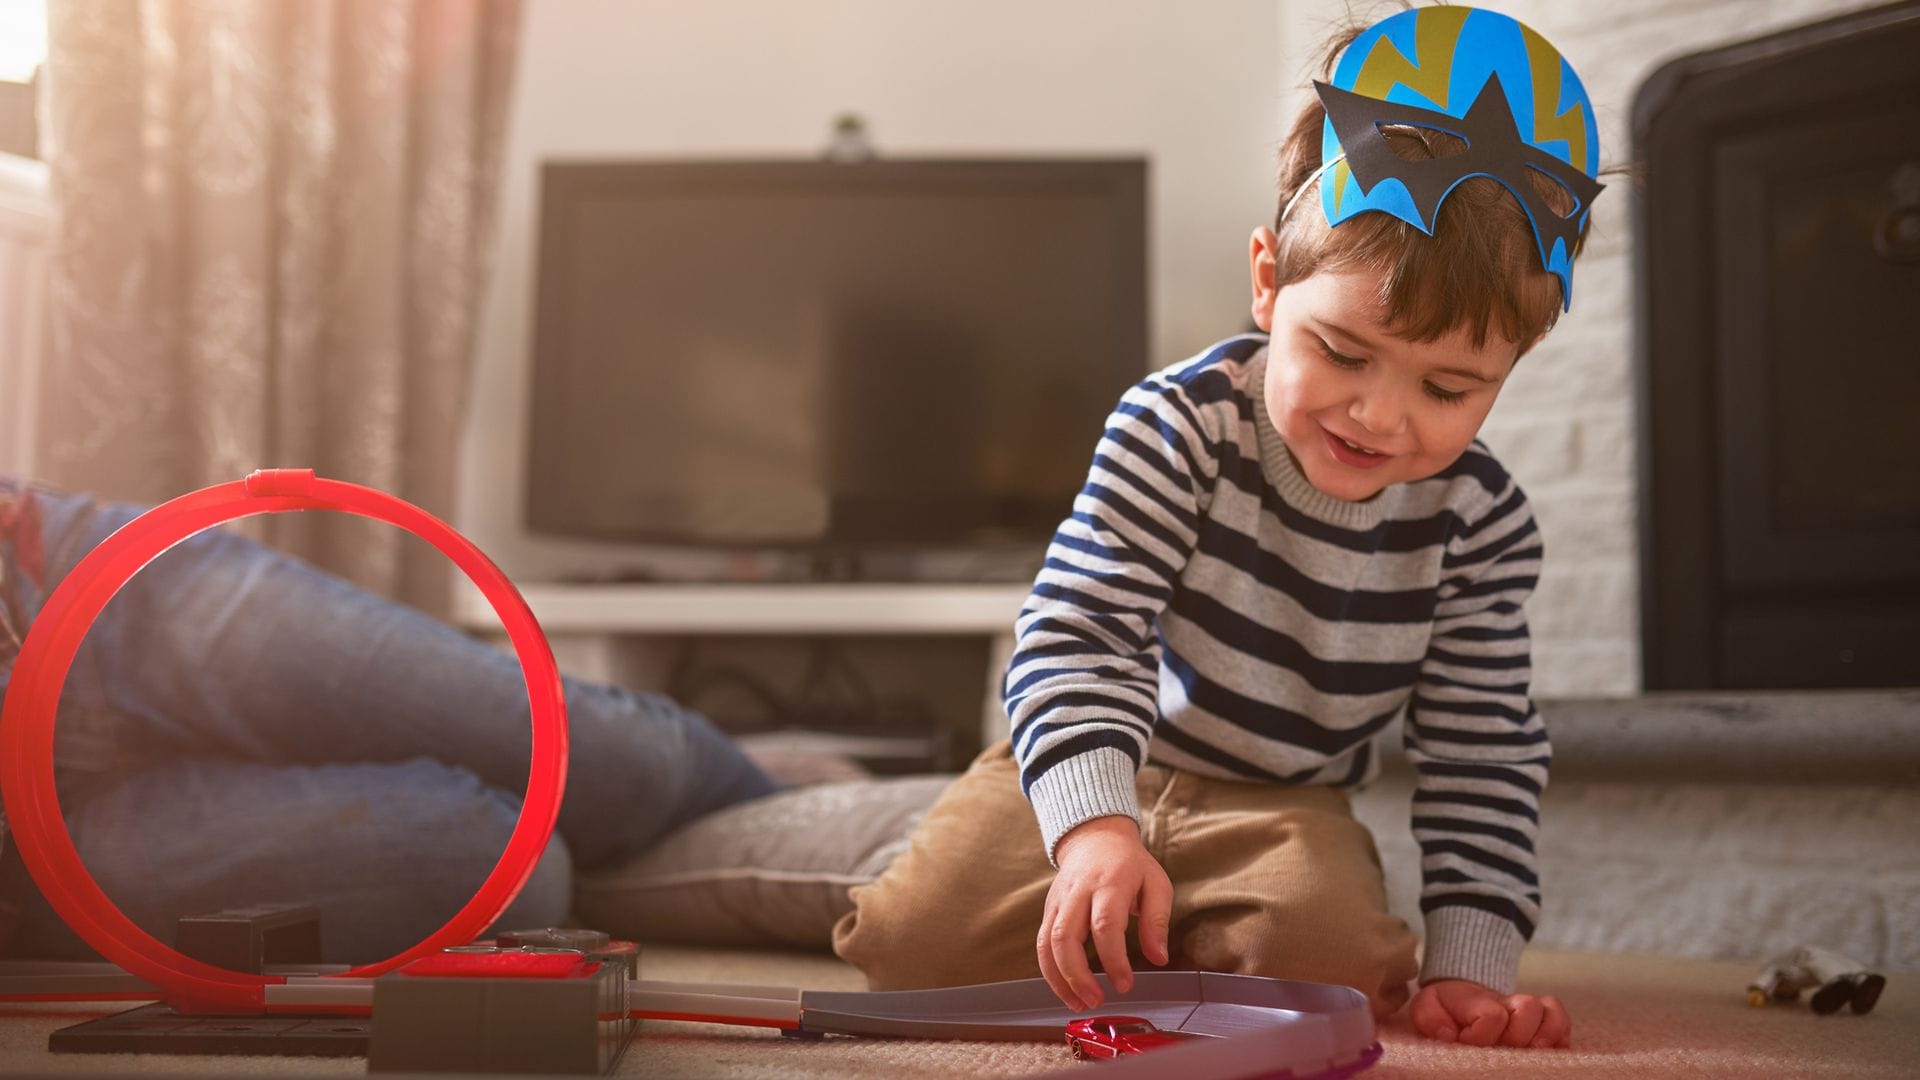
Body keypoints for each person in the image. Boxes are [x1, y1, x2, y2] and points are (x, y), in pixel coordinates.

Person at [832, 6, 1600, 1051]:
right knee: (901, 954)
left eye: (1452, 386)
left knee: (1339, 978)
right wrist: (1098, 831)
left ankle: (1162, 926)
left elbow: (1483, 753)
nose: (1380, 415)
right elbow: (1079, 634)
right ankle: (869, 830)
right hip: (1109, 757)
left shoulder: (1482, 525)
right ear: (1268, 282)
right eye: (1341, 351)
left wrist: (1469, 966)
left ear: (1510, 370)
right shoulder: (1177, 426)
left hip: (1286, 807)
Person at [0, 478, 780, 962]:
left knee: (618, 761)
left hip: (67, 580)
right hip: (28, 853)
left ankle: (795, 797)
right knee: (514, 871)